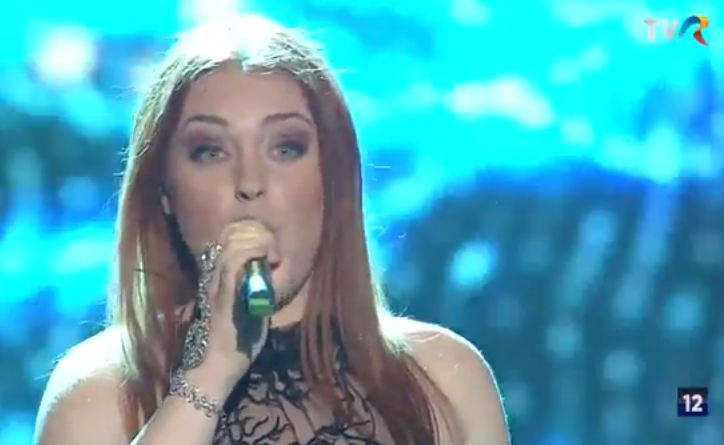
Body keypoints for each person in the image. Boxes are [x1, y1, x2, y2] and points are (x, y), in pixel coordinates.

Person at [33, 13, 509, 445]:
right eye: (210, 151)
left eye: (285, 148)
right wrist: (208, 375)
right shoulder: (95, 396)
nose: (250, 183)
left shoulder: (445, 381)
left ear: (334, 177)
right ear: (165, 192)